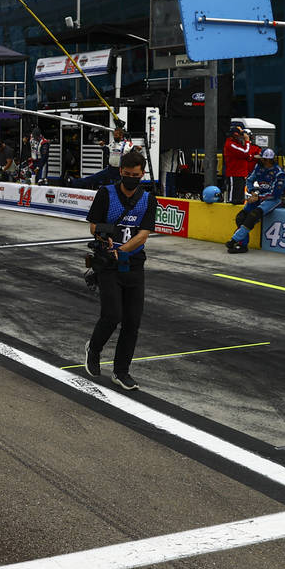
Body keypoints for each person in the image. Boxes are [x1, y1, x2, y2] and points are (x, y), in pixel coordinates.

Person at [84, 151, 159, 391]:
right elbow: (93, 225)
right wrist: (103, 237)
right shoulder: (106, 193)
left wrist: (122, 250)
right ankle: (94, 349)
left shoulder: (148, 199)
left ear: (142, 174)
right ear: (120, 172)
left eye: (135, 175)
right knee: (112, 315)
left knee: (132, 321)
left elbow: (144, 234)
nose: (131, 178)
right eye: (127, 174)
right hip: (107, 264)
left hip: (133, 263)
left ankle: (121, 370)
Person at [226, 148, 285, 254]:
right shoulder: (258, 167)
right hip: (259, 196)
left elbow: (275, 194)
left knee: (253, 215)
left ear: (267, 160)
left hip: (273, 200)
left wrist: (258, 197)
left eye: (261, 158)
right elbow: (249, 180)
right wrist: (253, 192)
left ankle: (234, 240)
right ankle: (242, 245)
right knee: (241, 217)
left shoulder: (279, 174)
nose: (259, 160)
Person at [223, 124, 259, 204]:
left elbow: (248, 156)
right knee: (233, 198)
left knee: (240, 198)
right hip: (234, 173)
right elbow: (246, 153)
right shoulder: (231, 144)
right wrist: (247, 141)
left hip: (242, 173)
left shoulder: (238, 144)